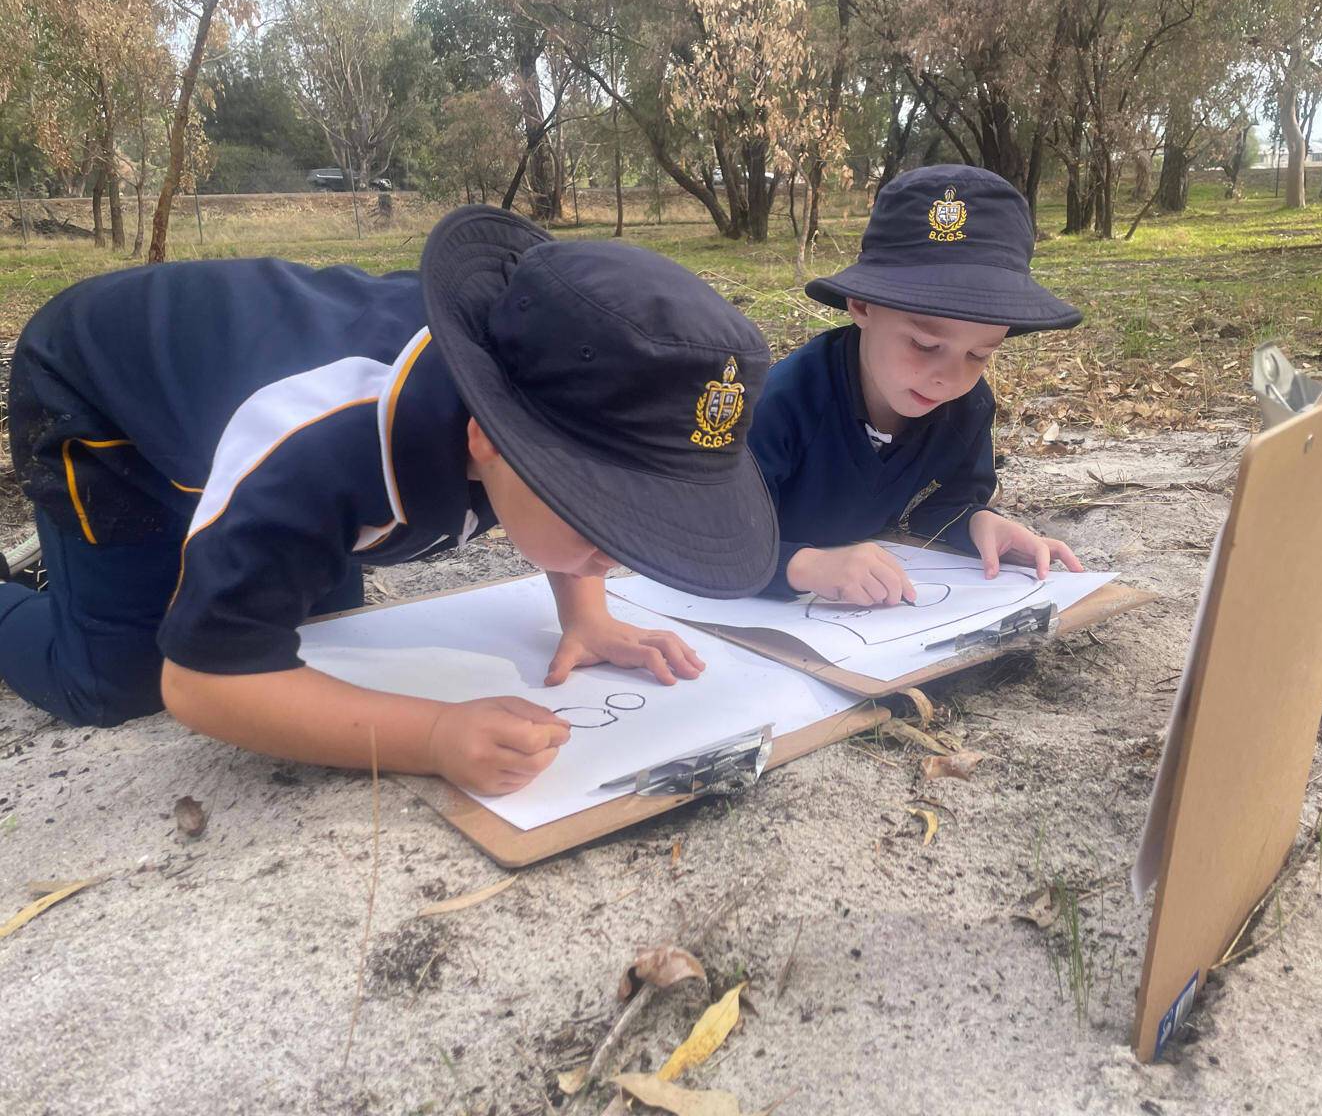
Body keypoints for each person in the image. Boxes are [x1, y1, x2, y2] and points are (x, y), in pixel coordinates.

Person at [0, 206, 778, 795]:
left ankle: (208, 542)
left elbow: (565, 464)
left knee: (323, 630)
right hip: (100, 396)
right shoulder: (329, 444)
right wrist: (432, 736)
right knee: (122, 676)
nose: (622, 553)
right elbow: (199, 681)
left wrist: (587, 614)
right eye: (604, 518)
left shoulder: (519, 391)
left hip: (252, 428)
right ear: (489, 439)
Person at [750, 165, 1084, 606]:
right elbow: (710, 533)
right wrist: (805, 566)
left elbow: (945, 503)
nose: (949, 376)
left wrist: (979, 523)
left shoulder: (967, 406)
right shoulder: (780, 404)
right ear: (862, 305)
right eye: (925, 345)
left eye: (978, 354)